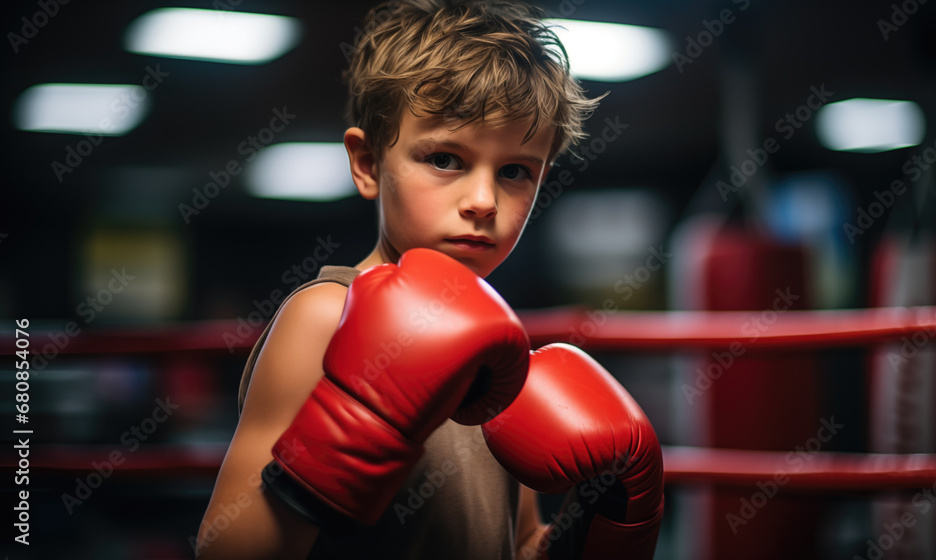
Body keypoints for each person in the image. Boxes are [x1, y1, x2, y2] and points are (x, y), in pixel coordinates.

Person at [195, 1, 662, 558]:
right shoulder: (327, 318)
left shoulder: (500, 356)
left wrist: (596, 519)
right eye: (445, 159)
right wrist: (345, 443)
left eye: (515, 171)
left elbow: (516, 544)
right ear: (368, 163)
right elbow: (228, 550)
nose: (483, 201)